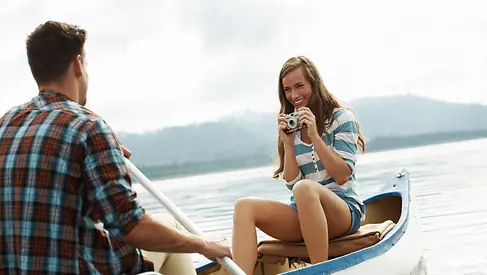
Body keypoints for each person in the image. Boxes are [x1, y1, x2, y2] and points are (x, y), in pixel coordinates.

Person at [0, 20, 231, 274]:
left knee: (164, 225)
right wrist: (204, 244)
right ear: (78, 64)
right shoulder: (88, 128)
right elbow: (130, 226)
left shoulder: (5, 124)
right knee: (173, 229)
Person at [232, 56, 367, 274]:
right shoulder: (290, 125)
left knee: (304, 189)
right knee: (244, 206)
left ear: (314, 83)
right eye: (287, 89)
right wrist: (287, 143)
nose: (294, 95)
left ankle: (319, 271)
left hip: (343, 212)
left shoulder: (341, 118)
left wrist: (315, 137)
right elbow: (292, 182)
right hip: (304, 215)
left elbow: (342, 175)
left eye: (299, 86)